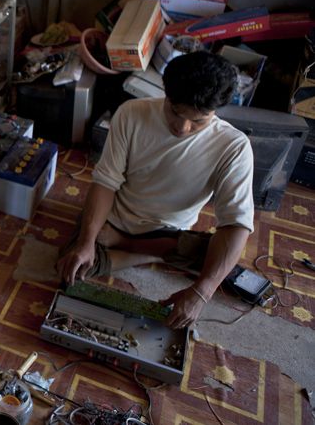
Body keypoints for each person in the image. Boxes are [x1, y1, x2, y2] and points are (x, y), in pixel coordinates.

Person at [56, 51, 254, 329]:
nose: (183, 127)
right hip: (116, 219)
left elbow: (236, 224)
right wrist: (87, 243)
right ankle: (150, 252)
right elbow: (106, 182)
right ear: (166, 93)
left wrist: (200, 293)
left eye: (198, 121)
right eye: (175, 112)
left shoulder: (234, 147)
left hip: (169, 232)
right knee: (72, 266)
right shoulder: (132, 114)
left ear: (216, 111)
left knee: (224, 259)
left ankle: (137, 248)